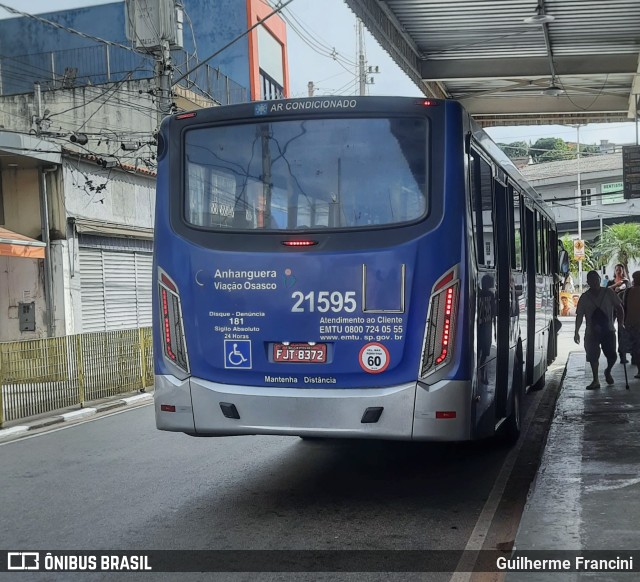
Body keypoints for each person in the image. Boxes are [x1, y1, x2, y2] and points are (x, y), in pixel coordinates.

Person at [574, 270, 624, 390]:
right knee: (592, 356)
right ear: (588, 282)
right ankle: (595, 380)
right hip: (591, 332)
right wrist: (576, 332)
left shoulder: (608, 292)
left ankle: (608, 371)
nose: (594, 281)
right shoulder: (584, 297)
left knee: (612, 355)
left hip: (608, 330)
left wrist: (621, 324)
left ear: (599, 280)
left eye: (596, 279)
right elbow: (579, 315)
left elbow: (619, 308)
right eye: (591, 280)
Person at [607, 263, 631, 362]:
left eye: (620, 270)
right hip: (611, 308)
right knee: (610, 329)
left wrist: (621, 287)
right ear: (615, 271)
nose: (618, 271)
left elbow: (628, 288)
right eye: (617, 270)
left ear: (623, 271)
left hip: (622, 309)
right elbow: (605, 290)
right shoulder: (611, 282)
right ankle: (610, 352)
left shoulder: (626, 281)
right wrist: (616, 285)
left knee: (622, 331)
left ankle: (622, 355)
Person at [622, 271, 640, 378]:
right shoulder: (628, 291)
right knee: (636, 350)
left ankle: (639, 370)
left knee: (636, 350)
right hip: (632, 324)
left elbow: (624, 307)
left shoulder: (628, 291)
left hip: (631, 324)